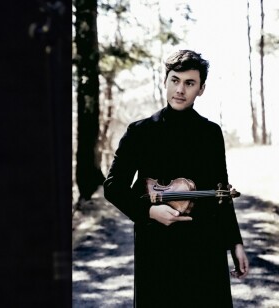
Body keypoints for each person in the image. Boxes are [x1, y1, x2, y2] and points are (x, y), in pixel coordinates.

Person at [103, 49, 248, 307]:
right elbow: (113, 187)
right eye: (175, 80)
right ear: (165, 81)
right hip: (157, 247)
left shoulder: (210, 133)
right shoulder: (140, 132)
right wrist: (149, 211)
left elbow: (221, 192)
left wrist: (235, 242)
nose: (180, 90)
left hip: (205, 246)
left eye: (189, 83)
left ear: (201, 89)